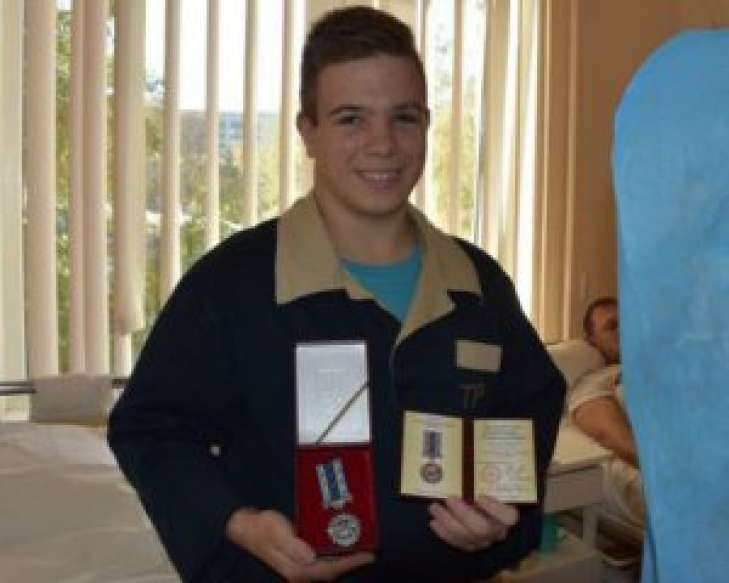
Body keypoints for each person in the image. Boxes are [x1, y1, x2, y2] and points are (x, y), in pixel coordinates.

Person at [108, 7, 564, 582]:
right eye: (352, 119)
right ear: (308, 132)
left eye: (404, 118)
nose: (383, 144)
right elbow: (150, 428)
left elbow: (529, 411)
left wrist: (502, 519)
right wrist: (239, 524)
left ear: (426, 124)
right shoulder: (232, 286)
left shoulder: (479, 286)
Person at [568, 297, 644, 529]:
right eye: (612, 326)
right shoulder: (596, 380)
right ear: (592, 340)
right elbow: (607, 433)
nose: (624, 330)